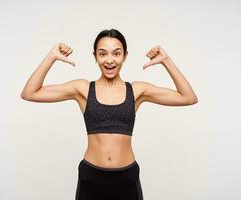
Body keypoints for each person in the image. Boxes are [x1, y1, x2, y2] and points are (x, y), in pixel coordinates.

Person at [20, 28, 198, 200]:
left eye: (116, 53)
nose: (109, 60)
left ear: (125, 56)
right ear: (95, 57)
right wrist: (51, 57)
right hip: (91, 178)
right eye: (103, 53)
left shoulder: (137, 90)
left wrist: (166, 60)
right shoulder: (82, 89)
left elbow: (188, 97)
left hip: (127, 179)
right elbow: (29, 93)